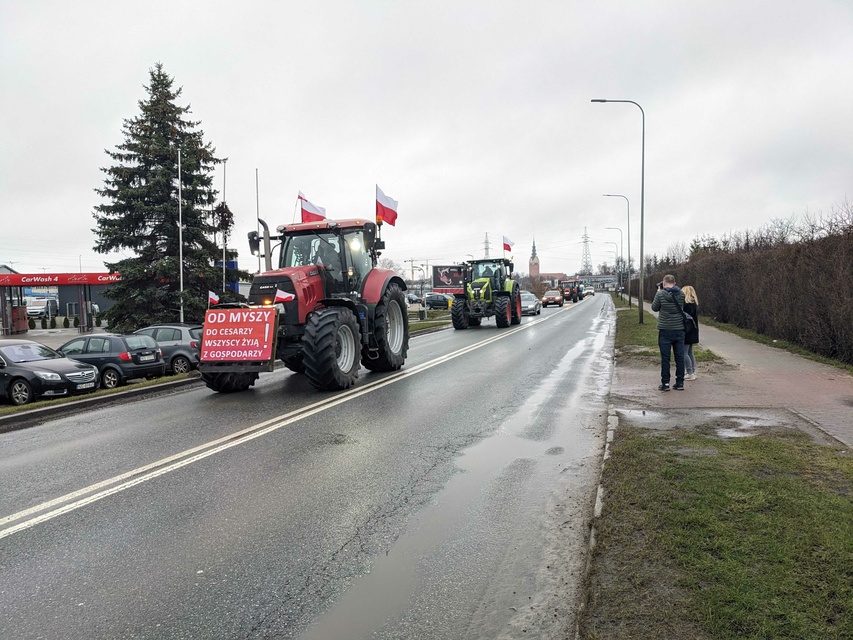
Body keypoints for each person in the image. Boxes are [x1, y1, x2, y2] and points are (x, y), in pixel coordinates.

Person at [651, 274, 686, 391]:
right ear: (675, 283)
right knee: (679, 357)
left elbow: (654, 308)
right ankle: (680, 382)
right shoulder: (681, 294)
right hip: (679, 329)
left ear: (663, 283)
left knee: (665, 358)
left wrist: (658, 292)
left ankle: (665, 383)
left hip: (665, 330)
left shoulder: (660, 294)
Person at [682, 285, 700, 381]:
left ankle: (689, 372)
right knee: (690, 352)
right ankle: (693, 370)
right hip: (693, 330)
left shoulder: (685, 305)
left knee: (684, 352)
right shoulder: (694, 304)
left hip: (687, 331)